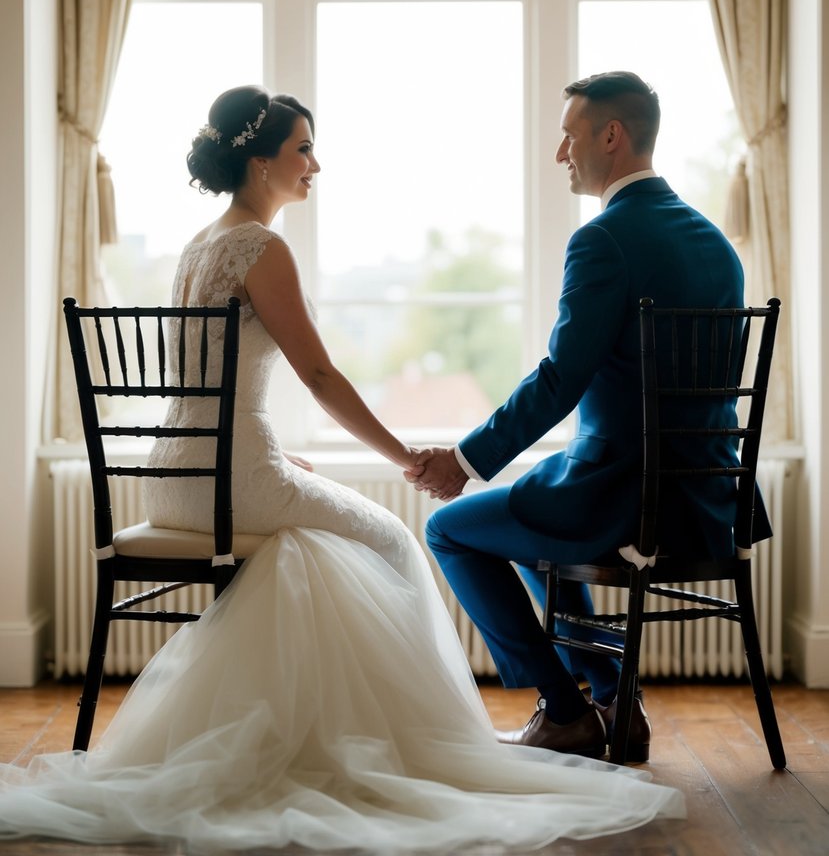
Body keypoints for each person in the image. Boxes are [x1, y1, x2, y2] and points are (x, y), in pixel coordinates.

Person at [0, 84, 684, 852]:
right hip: (228, 478)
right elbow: (319, 378)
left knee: (318, 545)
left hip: (173, 476)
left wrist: (268, 453)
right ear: (261, 163)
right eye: (302, 149)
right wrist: (407, 460)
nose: (314, 164)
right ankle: (383, 747)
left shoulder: (199, 244)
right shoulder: (263, 248)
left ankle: (321, 730)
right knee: (390, 541)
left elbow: (203, 387)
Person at [407, 70, 769, 764]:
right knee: (543, 506)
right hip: (708, 499)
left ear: (611, 135)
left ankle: (566, 708)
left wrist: (464, 460)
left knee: (450, 529)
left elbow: (559, 380)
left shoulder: (604, 240)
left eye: (568, 135)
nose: (559, 153)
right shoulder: (714, 244)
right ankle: (613, 699)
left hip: (625, 496)